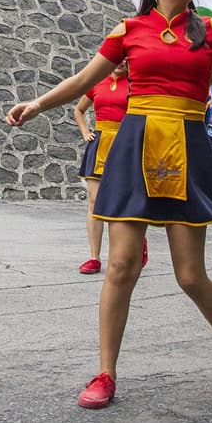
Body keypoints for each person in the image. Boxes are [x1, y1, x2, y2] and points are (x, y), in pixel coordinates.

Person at [5, 0, 212, 409]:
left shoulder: (209, 30)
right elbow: (86, 78)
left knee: (190, 276)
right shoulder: (129, 30)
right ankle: (106, 372)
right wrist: (39, 104)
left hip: (187, 147)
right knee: (122, 266)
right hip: (134, 148)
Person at [74, 61, 131, 274]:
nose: (120, 64)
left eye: (126, 61)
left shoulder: (134, 85)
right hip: (99, 144)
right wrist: (85, 133)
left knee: (122, 202)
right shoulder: (97, 82)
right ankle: (94, 257)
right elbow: (79, 110)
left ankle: (130, 247)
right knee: (94, 201)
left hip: (124, 145)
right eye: (118, 59)